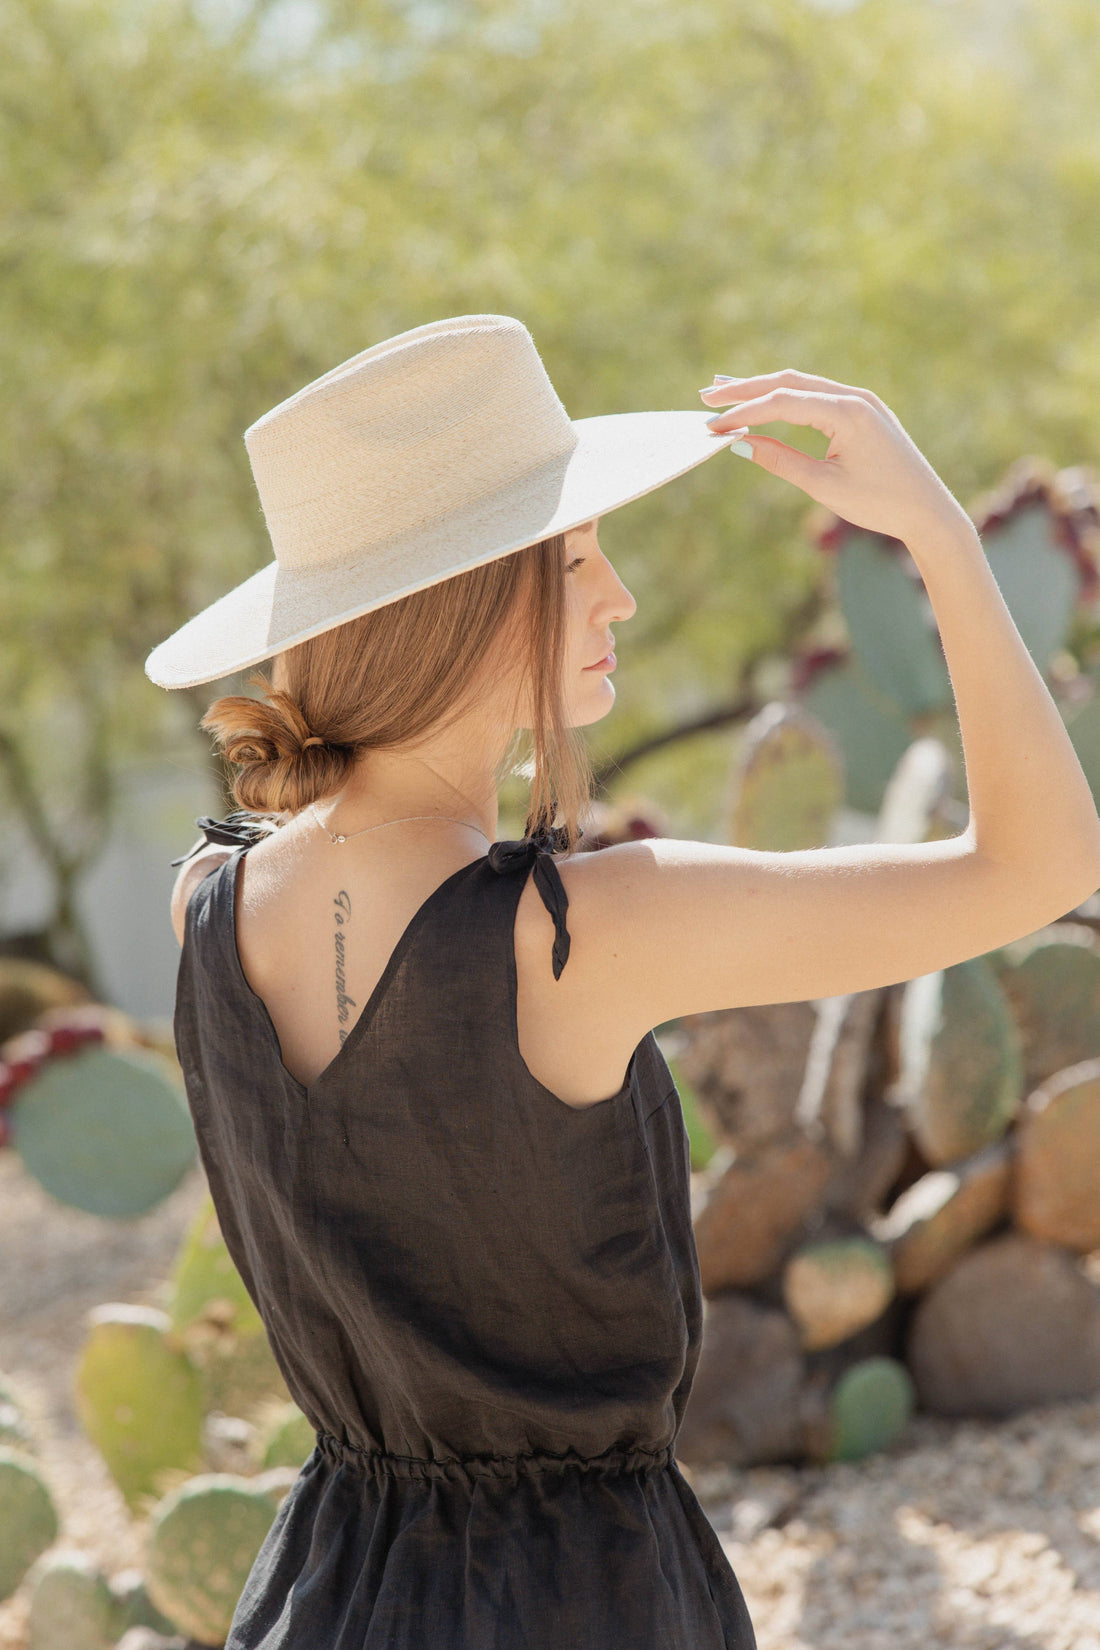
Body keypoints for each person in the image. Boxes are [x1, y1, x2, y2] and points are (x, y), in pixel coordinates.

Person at [149, 314, 1100, 1650]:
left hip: (329, 1593)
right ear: (466, 596)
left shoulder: (206, 901)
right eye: (579, 557)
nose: (619, 597)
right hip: (582, 1607)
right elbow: (1039, 863)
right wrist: (939, 532)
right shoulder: (584, 932)